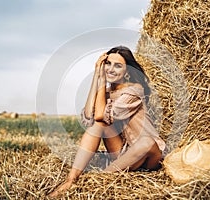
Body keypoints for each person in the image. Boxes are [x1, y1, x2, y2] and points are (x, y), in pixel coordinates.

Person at [48, 46, 165, 197]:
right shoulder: (106, 92)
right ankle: (71, 180)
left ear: (127, 71)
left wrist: (102, 82)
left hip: (147, 156)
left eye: (118, 66)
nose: (111, 69)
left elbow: (100, 114)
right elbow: (89, 117)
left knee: (147, 141)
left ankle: (97, 180)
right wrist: (97, 78)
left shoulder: (134, 90)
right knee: (98, 125)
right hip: (123, 153)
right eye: (108, 64)